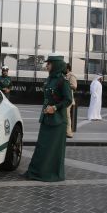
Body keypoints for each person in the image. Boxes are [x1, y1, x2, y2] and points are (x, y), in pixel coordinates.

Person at [25, 54, 72, 182]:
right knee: (42, 146)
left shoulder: (63, 81)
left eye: (49, 64)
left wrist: (55, 108)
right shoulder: (50, 79)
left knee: (53, 149)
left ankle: (50, 174)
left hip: (58, 121)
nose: (47, 66)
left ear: (55, 65)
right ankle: (37, 171)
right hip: (46, 118)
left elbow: (68, 100)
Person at [65, 63, 78, 138]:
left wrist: (65, 84)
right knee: (65, 116)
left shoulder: (71, 75)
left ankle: (69, 132)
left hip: (68, 99)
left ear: (67, 69)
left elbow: (75, 86)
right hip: (65, 98)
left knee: (67, 116)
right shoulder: (65, 75)